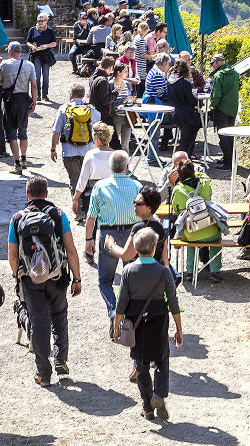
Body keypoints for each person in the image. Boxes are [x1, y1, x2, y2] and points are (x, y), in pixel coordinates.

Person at [8, 176, 83, 385]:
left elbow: (13, 256)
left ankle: (43, 373)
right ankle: (61, 358)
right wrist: (76, 278)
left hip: (31, 280)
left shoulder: (16, 219)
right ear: (47, 194)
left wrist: (18, 278)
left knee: (39, 323)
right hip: (57, 276)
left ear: (27, 194)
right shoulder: (58, 215)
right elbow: (71, 250)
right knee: (59, 315)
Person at [113, 228, 182, 421]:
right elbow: (173, 302)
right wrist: (178, 329)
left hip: (135, 323)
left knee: (141, 364)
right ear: (153, 248)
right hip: (159, 320)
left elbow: (121, 303)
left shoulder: (128, 271)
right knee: (161, 359)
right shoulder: (163, 272)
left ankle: (147, 408)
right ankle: (159, 394)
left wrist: (116, 327)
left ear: (135, 249)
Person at [84, 151, 142, 323]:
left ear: (109, 167)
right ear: (128, 167)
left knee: (105, 281)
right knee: (131, 280)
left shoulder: (100, 187)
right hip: (132, 236)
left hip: (109, 235)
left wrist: (88, 241)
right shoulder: (137, 186)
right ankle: (129, 315)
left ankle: (113, 310)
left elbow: (91, 217)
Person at [171, 158, 222, 284]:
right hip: (210, 231)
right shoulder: (204, 183)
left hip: (191, 232)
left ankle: (190, 271)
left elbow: (177, 210)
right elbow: (206, 180)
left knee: (190, 235)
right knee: (217, 238)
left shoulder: (178, 190)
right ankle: (215, 271)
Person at [51, 83, 101, 201]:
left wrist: (53, 149)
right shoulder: (90, 109)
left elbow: (56, 131)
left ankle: (78, 211)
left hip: (69, 152)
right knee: (87, 181)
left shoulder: (64, 109)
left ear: (71, 95)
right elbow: (99, 120)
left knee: (75, 181)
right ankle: (87, 208)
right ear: (83, 95)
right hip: (87, 152)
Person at [0, 41, 37, 175]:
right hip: (24, 100)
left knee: (11, 133)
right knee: (23, 131)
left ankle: (17, 164)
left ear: (11, 51)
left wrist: (6, 80)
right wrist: (34, 103)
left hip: (9, 101)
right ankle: (24, 160)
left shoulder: (4, 64)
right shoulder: (29, 65)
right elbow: (34, 86)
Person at [103, 187, 168, 264]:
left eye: (139, 203)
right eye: (134, 202)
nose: (135, 205)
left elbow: (126, 255)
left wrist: (110, 245)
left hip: (140, 273)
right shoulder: (160, 226)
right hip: (157, 272)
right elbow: (165, 260)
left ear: (149, 208)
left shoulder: (139, 228)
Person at [73, 122, 115, 226]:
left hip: (93, 194)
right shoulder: (115, 154)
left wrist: (75, 197)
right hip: (111, 193)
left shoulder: (90, 155)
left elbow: (83, 179)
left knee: (92, 224)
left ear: (96, 138)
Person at [208, 53, 239, 171]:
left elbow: (216, 95)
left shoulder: (219, 75)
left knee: (223, 136)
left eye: (212, 64)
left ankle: (228, 163)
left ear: (217, 62)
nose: (212, 67)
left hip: (222, 109)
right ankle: (229, 158)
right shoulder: (235, 73)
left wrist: (212, 107)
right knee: (230, 135)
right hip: (232, 108)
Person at [143, 53, 172, 165]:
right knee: (154, 134)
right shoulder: (157, 75)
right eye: (168, 64)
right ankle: (152, 158)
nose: (169, 67)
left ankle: (153, 157)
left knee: (154, 133)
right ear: (164, 64)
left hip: (153, 105)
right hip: (155, 106)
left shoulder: (154, 71)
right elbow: (163, 93)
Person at [168, 59, 200, 158]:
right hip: (186, 114)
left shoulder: (169, 82)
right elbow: (191, 100)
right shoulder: (185, 84)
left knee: (184, 137)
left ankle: (183, 157)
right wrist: (195, 98)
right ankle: (185, 156)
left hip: (174, 113)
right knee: (187, 137)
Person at [26, 13, 57, 103]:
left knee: (46, 75)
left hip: (46, 55)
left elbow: (54, 43)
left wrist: (47, 46)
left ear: (46, 21)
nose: (40, 22)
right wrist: (32, 47)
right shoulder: (32, 30)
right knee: (37, 75)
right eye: (39, 20)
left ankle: (45, 94)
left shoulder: (50, 31)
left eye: (42, 21)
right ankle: (38, 94)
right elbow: (28, 42)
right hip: (36, 55)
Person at [110, 61, 136, 153]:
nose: (127, 73)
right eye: (125, 71)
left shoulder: (127, 84)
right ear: (118, 72)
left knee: (125, 144)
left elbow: (128, 98)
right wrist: (123, 100)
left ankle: (125, 166)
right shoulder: (111, 84)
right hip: (116, 116)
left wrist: (131, 101)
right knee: (114, 143)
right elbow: (110, 102)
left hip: (127, 116)